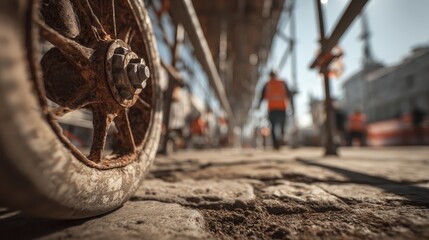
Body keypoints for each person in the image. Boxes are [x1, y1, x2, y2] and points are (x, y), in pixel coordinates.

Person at [257, 69, 290, 150]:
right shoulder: (282, 83)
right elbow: (289, 94)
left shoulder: (267, 84)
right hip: (282, 108)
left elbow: (262, 96)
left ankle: (276, 144)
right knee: (282, 125)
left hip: (272, 109)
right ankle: (281, 138)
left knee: (274, 126)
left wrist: (258, 105)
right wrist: (291, 105)